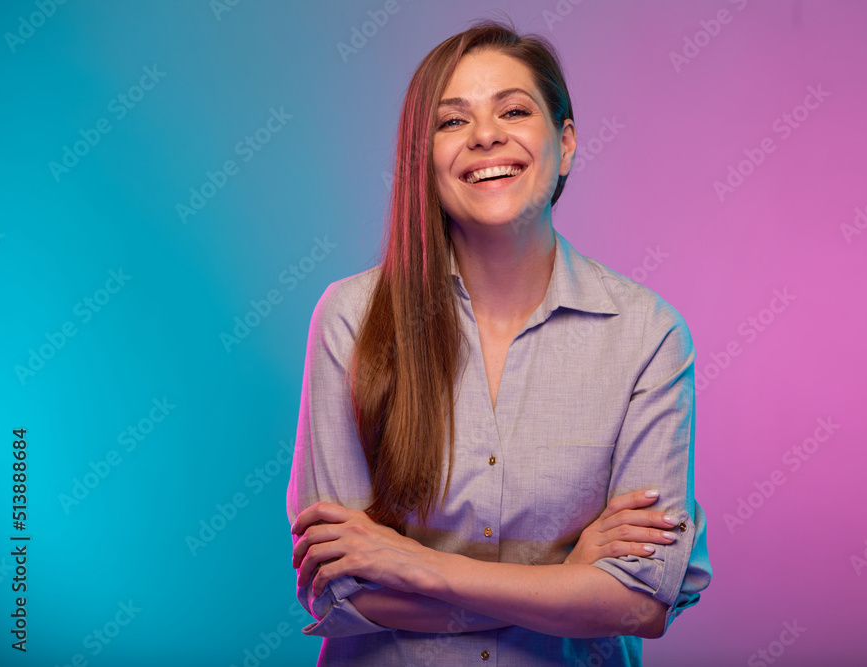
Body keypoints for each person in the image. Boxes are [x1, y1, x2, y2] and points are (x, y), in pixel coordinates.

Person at [286, 18, 712, 666]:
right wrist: (568, 574)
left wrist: (413, 564)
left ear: (565, 144)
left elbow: (640, 602)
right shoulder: (351, 318)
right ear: (422, 160)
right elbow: (341, 586)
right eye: (452, 121)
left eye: (513, 110)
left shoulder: (648, 335)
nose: (486, 134)